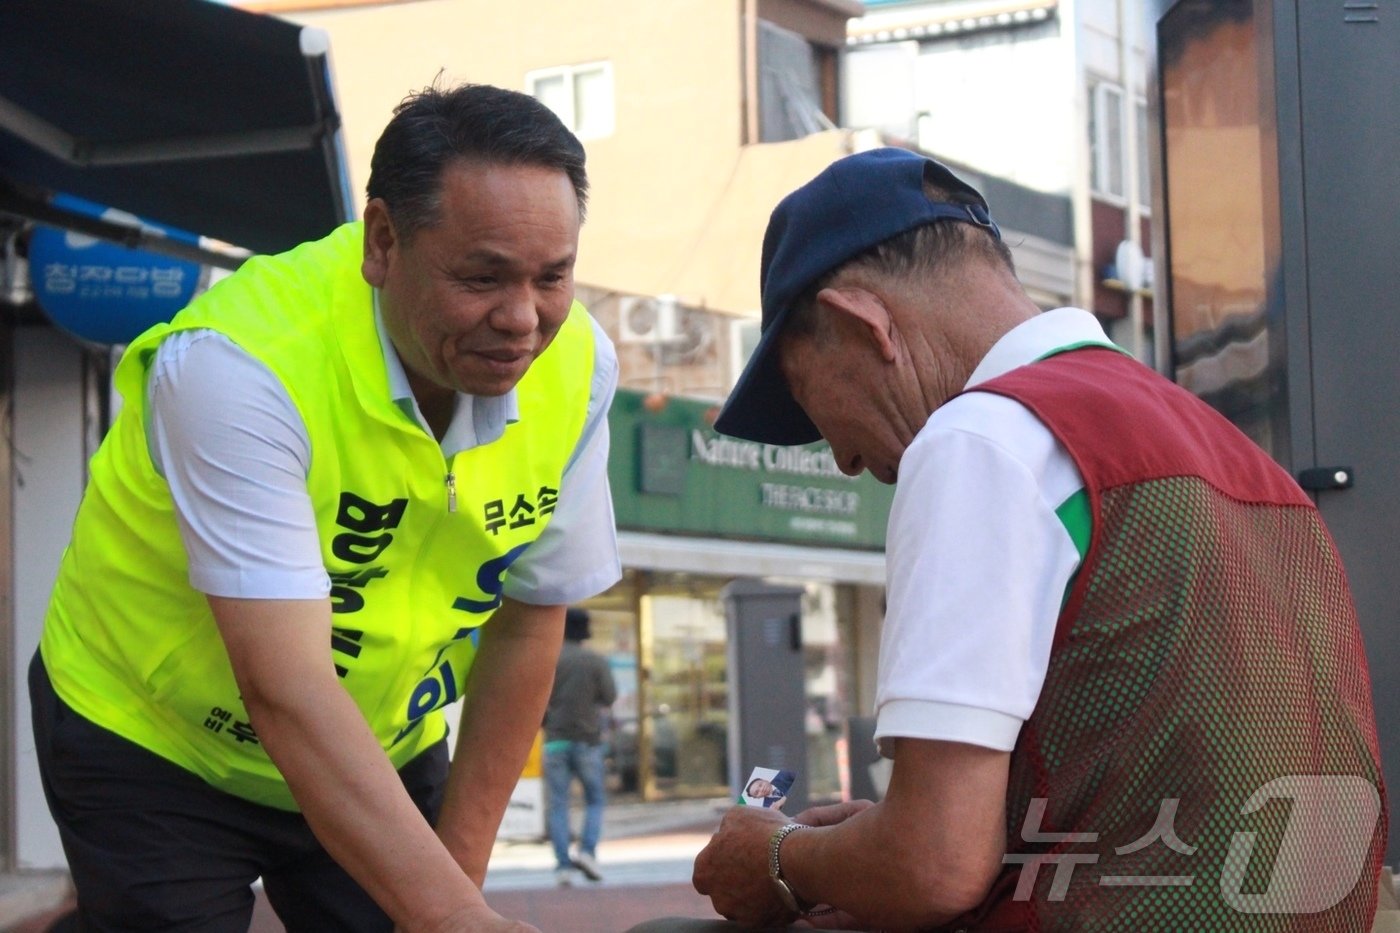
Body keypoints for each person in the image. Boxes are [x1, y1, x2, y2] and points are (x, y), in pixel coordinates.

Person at [674, 148, 1388, 931]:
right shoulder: (1249, 465)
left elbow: (932, 865)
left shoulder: (981, 439)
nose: (844, 461)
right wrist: (876, 840)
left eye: (816, 404)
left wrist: (776, 856)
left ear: (863, 324)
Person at [30, 82, 622, 932]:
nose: (523, 320)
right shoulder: (238, 366)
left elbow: (530, 618)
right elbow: (287, 687)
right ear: (383, 241)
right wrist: (449, 917)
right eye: (482, 276)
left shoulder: (579, 365)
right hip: (155, 737)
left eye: (552, 276)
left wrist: (457, 892)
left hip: (381, 739)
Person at [543, 606, 618, 886]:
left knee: (559, 804)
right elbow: (609, 697)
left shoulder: (551, 658)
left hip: (555, 740)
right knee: (595, 799)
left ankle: (562, 865)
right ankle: (587, 851)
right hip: (588, 740)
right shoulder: (595, 661)